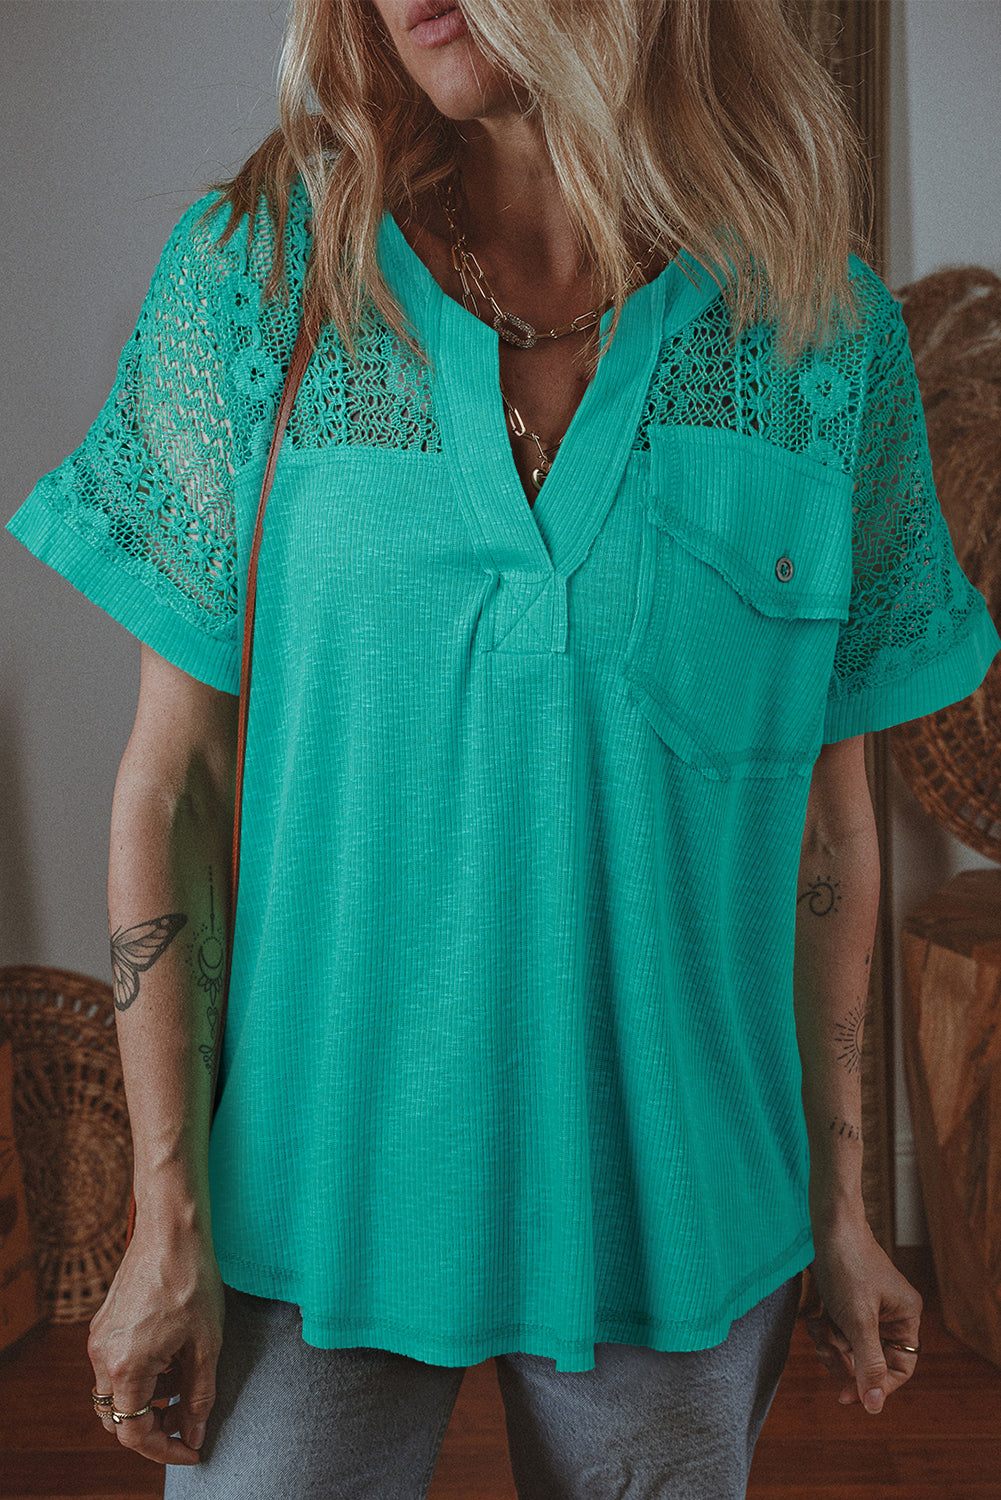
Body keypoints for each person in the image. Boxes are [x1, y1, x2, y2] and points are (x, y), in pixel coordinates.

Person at [7, 1, 1000, 1495]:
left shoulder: (820, 338)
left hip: (682, 1211)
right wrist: (167, 1220)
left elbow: (824, 824)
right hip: (310, 1195)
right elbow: (175, 783)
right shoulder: (262, 277)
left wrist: (843, 1209)